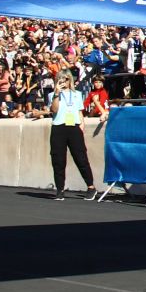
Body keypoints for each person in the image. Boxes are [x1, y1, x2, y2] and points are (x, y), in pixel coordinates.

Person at [48, 71, 97, 201]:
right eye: (60, 80)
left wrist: (81, 126)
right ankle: (60, 189)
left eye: (65, 80)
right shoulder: (52, 95)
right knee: (58, 159)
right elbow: (54, 110)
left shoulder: (77, 95)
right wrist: (56, 94)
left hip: (74, 127)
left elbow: (79, 112)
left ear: (70, 80)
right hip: (59, 126)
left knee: (81, 158)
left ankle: (91, 186)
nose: (63, 82)